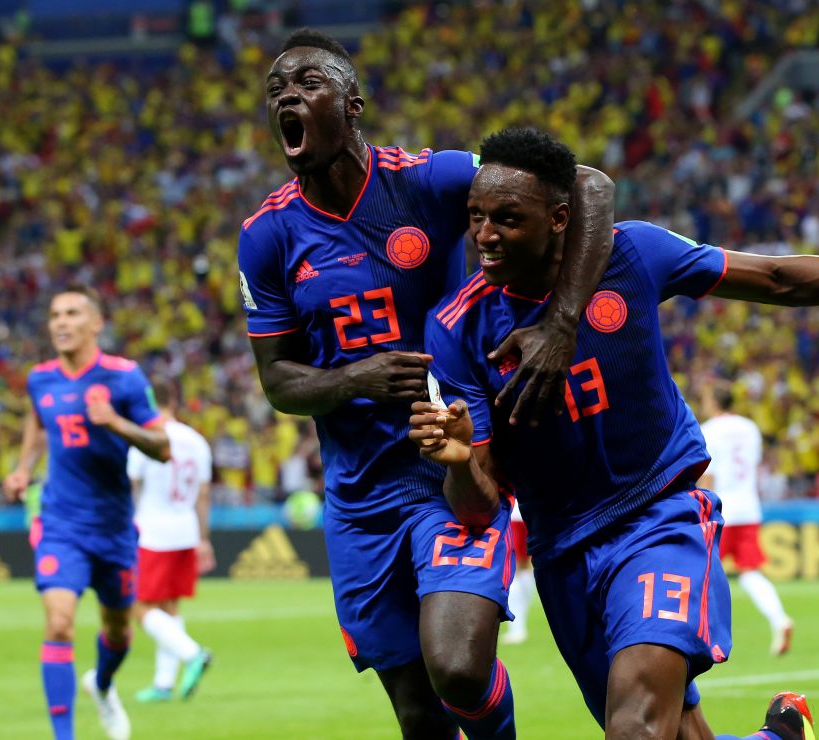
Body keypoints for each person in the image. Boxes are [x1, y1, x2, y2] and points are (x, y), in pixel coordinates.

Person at [410, 127, 819, 739]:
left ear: (559, 219)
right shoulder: (457, 327)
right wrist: (459, 461)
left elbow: (777, 279)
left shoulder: (633, 254)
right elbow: (479, 503)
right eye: (476, 216)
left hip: (656, 518)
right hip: (561, 548)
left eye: (507, 219)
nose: (485, 236)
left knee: (637, 730)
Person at [237, 29, 614, 740]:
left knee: (460, 670)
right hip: (360, 497)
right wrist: (356, 377)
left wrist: (562, 324)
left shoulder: (428, 179)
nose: (287, 93)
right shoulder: (267, 235)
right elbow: (279, 382)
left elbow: (586, 184)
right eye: (276, 90)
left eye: (308, 81)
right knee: (417, 713)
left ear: (354, 106)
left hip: (454, 467)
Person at [2, 284, 171, 740]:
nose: (61, 322)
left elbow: (163, 447)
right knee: (58, 621)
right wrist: (22, 469)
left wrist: (115, 422)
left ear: (96, 323)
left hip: (114, 527)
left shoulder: (125, 377)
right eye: (55, 314)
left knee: (117, 630)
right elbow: (38, 421)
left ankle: (102, 684)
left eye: (73, 313)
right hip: (60, 522)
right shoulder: (41, 379)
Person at [128, 378, 215, 703]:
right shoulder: (196, 440)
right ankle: (164, 684)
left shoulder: (147, 437)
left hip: (152, 531)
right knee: (169, 606)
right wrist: (203, 539)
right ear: (173, 402)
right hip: (186, 529)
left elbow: (132, 489)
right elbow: (203, 495)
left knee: (136, 605)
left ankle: (192, 653)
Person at [699, 384, 794, 657]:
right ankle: (779, 619)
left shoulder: (709, 430)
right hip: (749, 506)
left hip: (721, 508)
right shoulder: (750, 428)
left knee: (703, 572)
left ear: (714, 400)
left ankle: (708, 639)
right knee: (750, 571)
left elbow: (709, 474)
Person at [500, 504, 535, 646]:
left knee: (514, 569)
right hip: (528, 512)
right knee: (524, 567)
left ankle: (518, 629)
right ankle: (520, 626)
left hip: (514, 514)